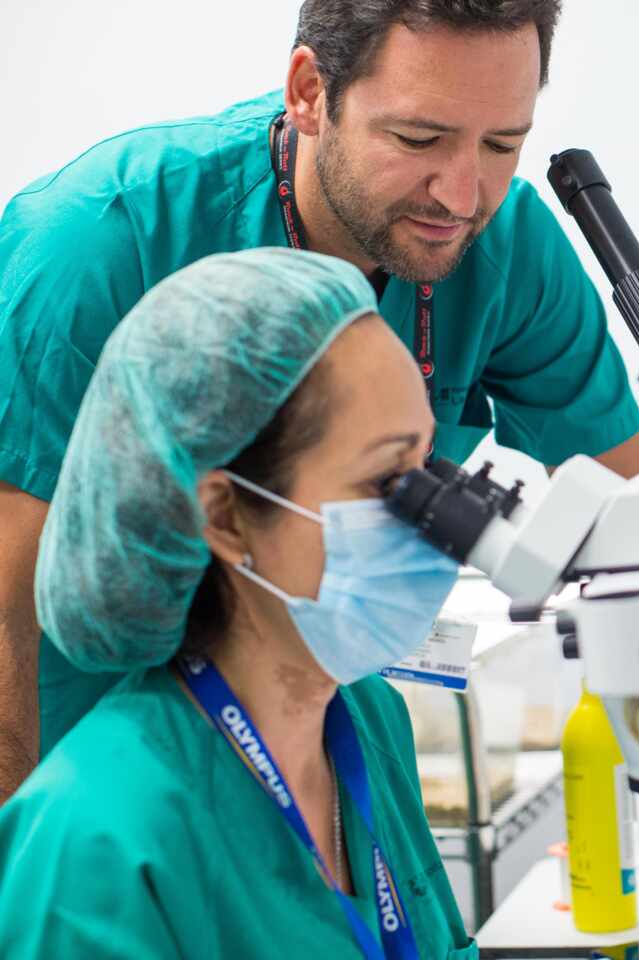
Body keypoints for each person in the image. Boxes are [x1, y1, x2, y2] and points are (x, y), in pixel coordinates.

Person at [0, 0, 639, 928]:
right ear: (308, 92)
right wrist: (29, 863)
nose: (462, 196)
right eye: (419, 141)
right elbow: (9, 606)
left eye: (503, 146)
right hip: (86, 754)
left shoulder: (501, 249)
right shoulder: (98, 242)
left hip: (319, 729)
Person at [0, 249, 479, 957]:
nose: (433, 519)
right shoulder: (99, 834)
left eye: (427, 466)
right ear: (224, 517)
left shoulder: (369, 719)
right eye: (388, 479)